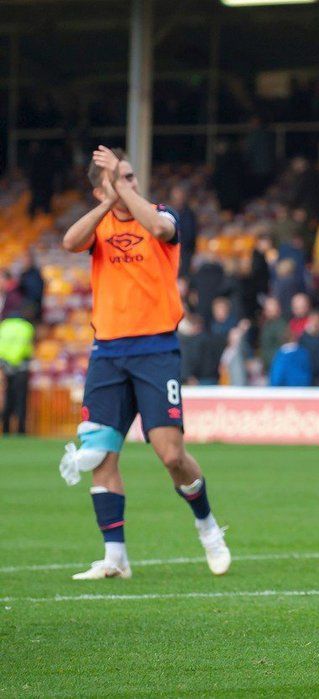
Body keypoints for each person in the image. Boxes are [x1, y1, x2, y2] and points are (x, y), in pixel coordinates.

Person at [58, 146, 230, 580]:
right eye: (121, 178)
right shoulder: (98, 226)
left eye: (132, 176)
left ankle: (207, 526)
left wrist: (121, 189)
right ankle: (115, 556)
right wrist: (107, 201)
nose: (130, 183)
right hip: (108, 352)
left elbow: (156, 225)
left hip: (155, 349)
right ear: (101, 191)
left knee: (171, 454)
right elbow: (69, 242)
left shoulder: (161, 215)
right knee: (100, 453)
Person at [0, 310, 34, 435]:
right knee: (21, 398)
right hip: (21, 367)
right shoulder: (26, 327)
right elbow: (27, 347)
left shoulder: (3, 326)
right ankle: (21, 428)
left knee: (7, 397)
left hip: (6, 366)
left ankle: (6, 428)